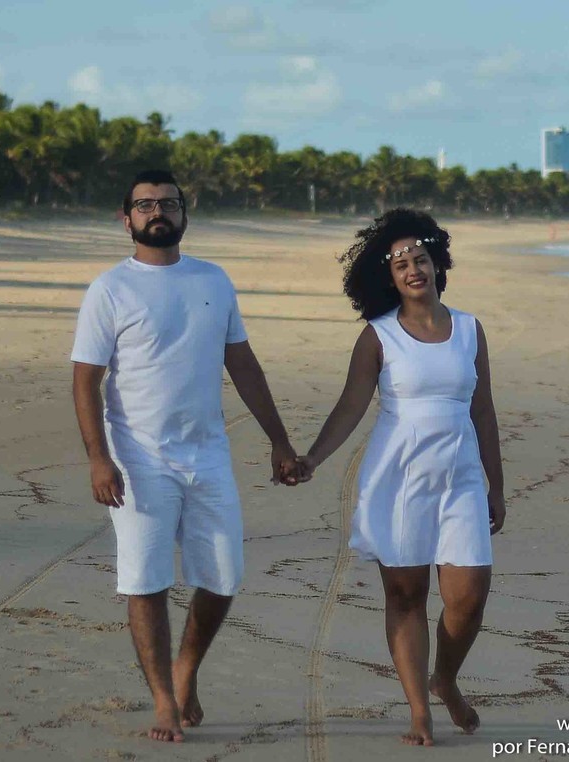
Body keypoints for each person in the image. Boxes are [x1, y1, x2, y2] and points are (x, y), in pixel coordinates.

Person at [71, 169, 300, 742]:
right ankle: (163, 701)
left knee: (223, 576)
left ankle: (186, 667)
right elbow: (85, 381)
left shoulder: (213, 280)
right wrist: (100, 459)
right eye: (146, 205)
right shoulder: (110, 289)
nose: (158, 212)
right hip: (137, 456)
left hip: (208, 453)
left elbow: (242, 363)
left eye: (168, 203)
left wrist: (279, 439)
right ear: (126, 219)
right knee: (145, 580)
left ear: (183, 213)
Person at [293, 208, 506, 746]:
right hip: (400, 478)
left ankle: (445, 679)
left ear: (438, 266)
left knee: (469, 597)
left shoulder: (470, 330)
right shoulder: (379, 336)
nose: (414, 269)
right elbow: (350, 407)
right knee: (406, 596)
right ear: (387, 278)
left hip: (459, 478)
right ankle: (419, 711)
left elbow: (483, 411)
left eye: (421, 259)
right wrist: (312, 459)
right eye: (402, 264)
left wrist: (495, 485)